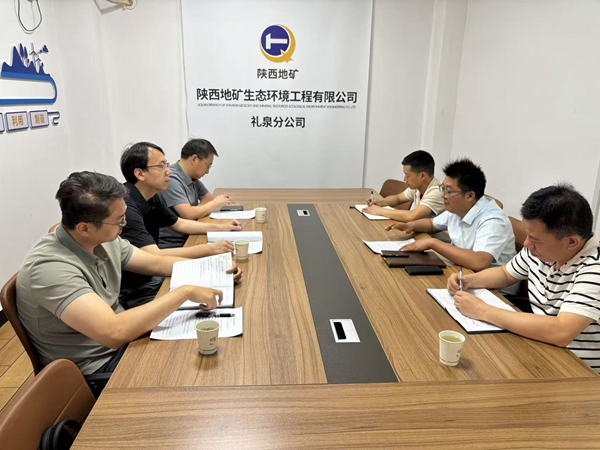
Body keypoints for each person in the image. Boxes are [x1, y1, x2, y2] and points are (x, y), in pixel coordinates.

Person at [16, 172, 239, 378]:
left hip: (126, 341)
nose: (124, 225)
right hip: (98, 367)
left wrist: (214, 269)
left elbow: (156, 263)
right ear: (85, 228)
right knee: (198, 369)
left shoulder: (102, 239)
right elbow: (114, 332)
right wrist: (185, 292)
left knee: (211, 349)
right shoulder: (49, 268)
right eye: (119, 220)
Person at [447, 184, 600, 373]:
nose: (527, 244)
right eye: (527, 236)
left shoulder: (594, 269)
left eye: (534, 239)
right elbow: (505, 274)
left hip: (578, 372)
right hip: (540, 351)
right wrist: (469, 280)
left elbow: (561, 331)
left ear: (571, 242)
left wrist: (483, 311)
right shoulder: (542, 252)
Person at [119, 141, 242, 308]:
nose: (168, 171)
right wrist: (210, 252)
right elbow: (155, 256)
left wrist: (222, 227)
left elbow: (180, 223)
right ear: (140, 173)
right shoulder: (126, 206)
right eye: (161, 166)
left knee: (221, 291)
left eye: (167, 164)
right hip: (136, 290)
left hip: (154, 277)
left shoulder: (153, 196)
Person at [387, 158, 517, 291]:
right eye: (442, 189)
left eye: (448, 191)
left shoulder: (493, 220)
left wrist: (433, 243)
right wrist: (411, 226)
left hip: (494, 290)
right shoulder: (458, 208)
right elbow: (432, 224)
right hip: (462, 274)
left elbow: (479, 262)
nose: (443, 195)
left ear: (470, 196)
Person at [160, 138, 235, 249]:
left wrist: (195, 212)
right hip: (174, 245)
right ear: (194, 159)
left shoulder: (192, 177)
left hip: (190, 234)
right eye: (208, 166)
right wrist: (214, 204)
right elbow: (188, 214)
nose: (207, 171)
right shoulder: (171, 179)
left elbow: (208, 199)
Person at [364, 150, 445, 221]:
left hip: (433, 234)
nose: (404, 179)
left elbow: (412, 216)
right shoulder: (417, 187)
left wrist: (380, 211)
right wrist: (381, 203)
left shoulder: (437, 192)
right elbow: (398, 198)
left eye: (407, 175)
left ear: (422, 176)